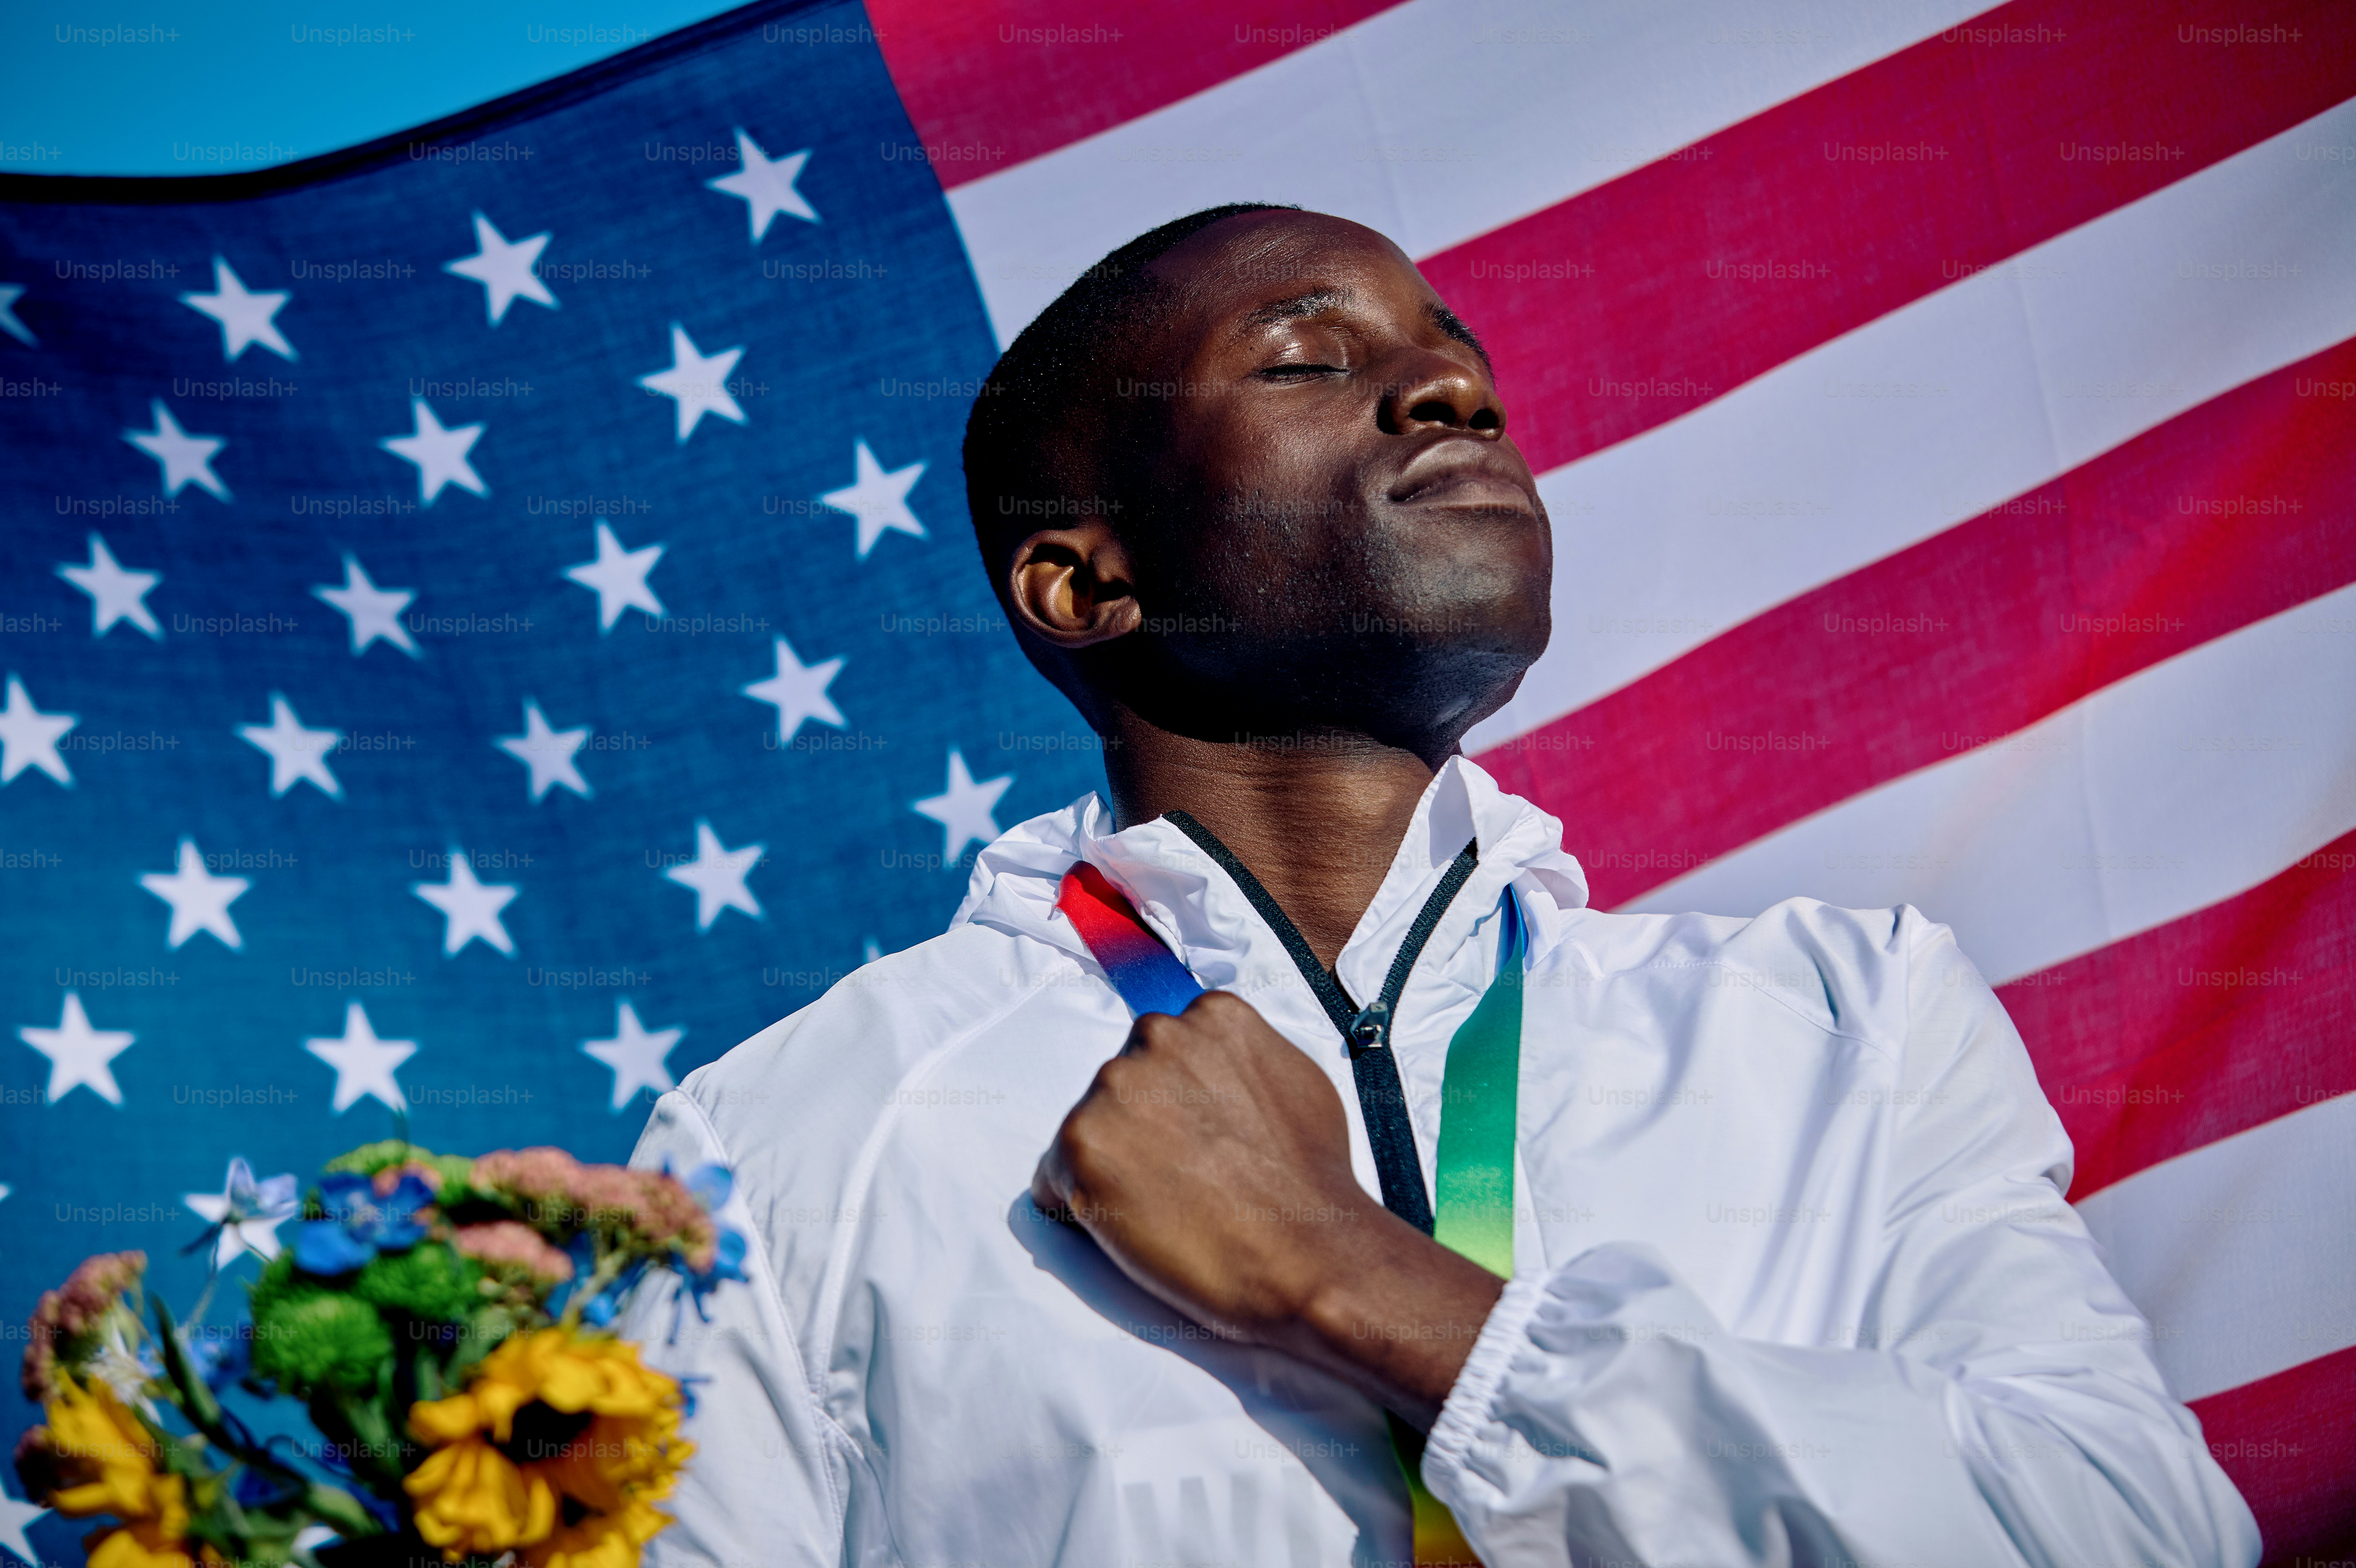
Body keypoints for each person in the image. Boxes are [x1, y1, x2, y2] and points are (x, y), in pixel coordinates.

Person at [621, 205, 2258, 1566]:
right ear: (1083, 579)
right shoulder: (783, 1150)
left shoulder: (1848, 1015)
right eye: (1307, 360)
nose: (1453, 390)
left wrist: (1362, 1281)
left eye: (1457, 354)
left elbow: (2134, 1534)